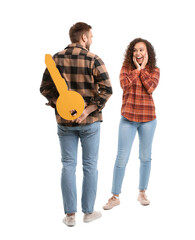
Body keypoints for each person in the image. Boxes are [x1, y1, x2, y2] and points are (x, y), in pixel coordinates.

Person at [40, 22, 112, 226]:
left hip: (64, 123)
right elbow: (107, 90)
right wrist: (87, 110)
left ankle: (70, 216)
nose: (91, 40)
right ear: (83, 38)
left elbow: (44, 88)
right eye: (90, 36)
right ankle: (88, 213)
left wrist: (63, 106)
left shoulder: (56, 59)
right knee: (90, 166)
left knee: (68, 166)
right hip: (90, 123)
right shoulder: (94, 59)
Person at [103, 38, 160, 210]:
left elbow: (151, 87)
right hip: (128, 119)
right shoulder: (125, 69)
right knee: (121, 158)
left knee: (145, 157)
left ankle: (142, 192)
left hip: (148, 119)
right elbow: (124, 85)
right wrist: (137, 70)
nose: (138, 53)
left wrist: (142, 70)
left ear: (147, 53)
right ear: (131, 53)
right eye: (135, 50)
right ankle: (115, 196)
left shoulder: (155, 70)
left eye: (141, 50)